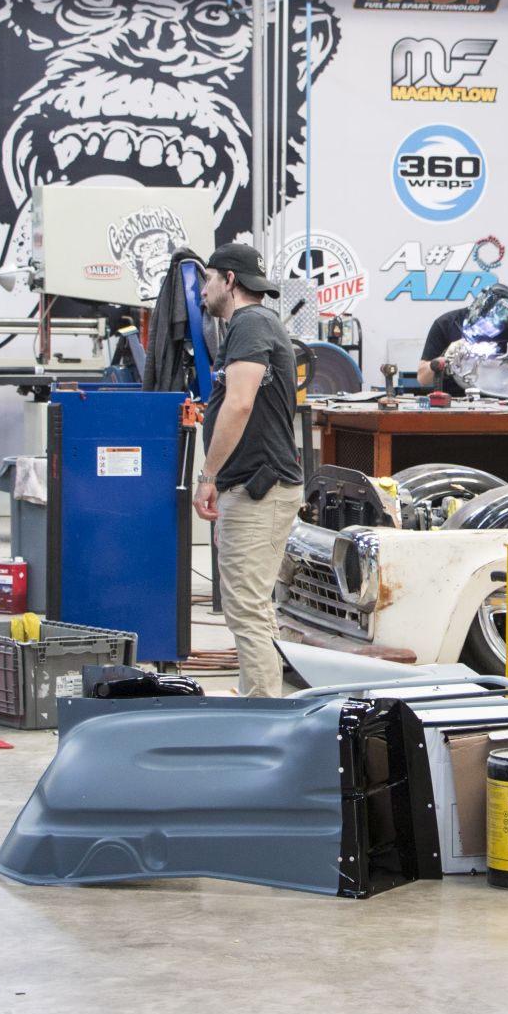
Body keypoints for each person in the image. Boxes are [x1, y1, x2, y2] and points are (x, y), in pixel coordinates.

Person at [192, 243, 305, 698]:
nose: (202, 292)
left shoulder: (251, 323)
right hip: (255, 487)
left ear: (230, 280)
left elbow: (239, 403)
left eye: (208, 280)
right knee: (252, 609)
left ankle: (261, 716)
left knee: (247, 610)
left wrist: (208, 476)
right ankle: (257, 699)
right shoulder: (251, 325)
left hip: (261, 489)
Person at [416, 284, 508, 396]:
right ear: (478, 306)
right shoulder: (445, 324)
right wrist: (445, 357)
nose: (485, 331)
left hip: (495, 399)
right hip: (452, 400)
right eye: (483, 324)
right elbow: (422, 379)